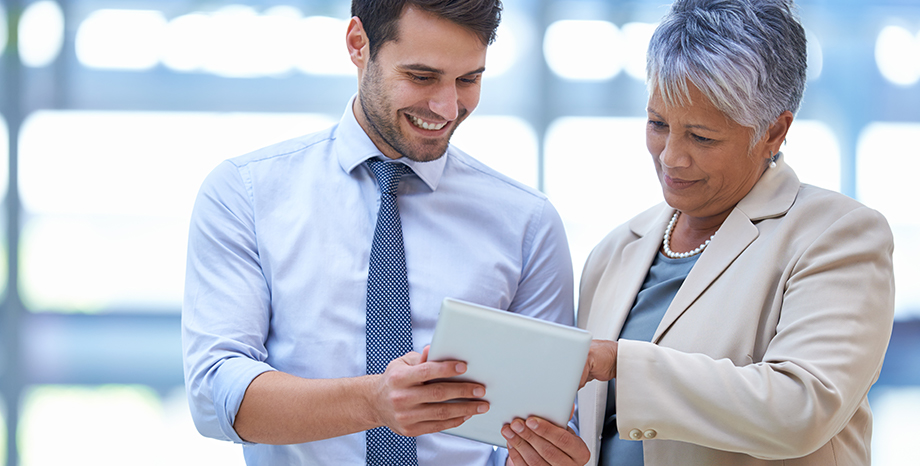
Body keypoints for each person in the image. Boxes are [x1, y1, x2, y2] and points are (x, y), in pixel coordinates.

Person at [500, 0, 895, 465]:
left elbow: (801, 408)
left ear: (774, 132)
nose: (670, 157)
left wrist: (618, 364)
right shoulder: (614, 252)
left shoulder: (837, 236)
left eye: (702, 137)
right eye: (657, 124)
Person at [181, 0, 576, 464]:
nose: (448, 107)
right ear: (358, 45)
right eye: (422, 76)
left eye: (469, 79)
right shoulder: (246, 194)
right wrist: (374, 403)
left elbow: (544, 418)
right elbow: (215, 394)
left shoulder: (527, 222)